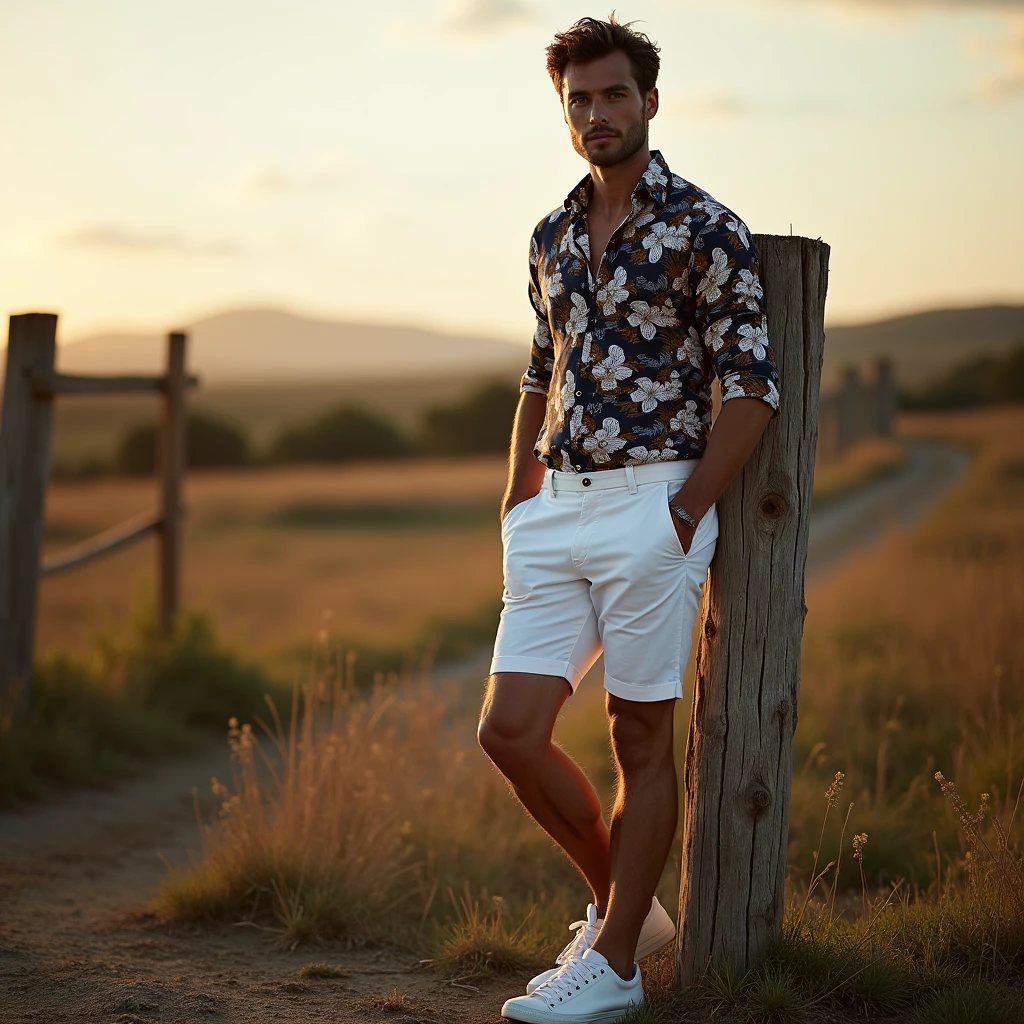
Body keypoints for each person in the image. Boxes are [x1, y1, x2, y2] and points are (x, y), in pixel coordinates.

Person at [478, 13, 781, 1023]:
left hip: (655, 501)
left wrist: (684, 511)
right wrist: (518, 491)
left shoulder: (705, 228)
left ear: (649, 101)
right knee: (509, 729)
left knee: (638, 739)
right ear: (564, 113)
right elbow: (540, 366)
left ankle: (612, 967)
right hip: (554, 510)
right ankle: (634, 911)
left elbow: (750, 390)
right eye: (579, 100)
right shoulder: (550, 233)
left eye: (614, 95)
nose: (596, 114)